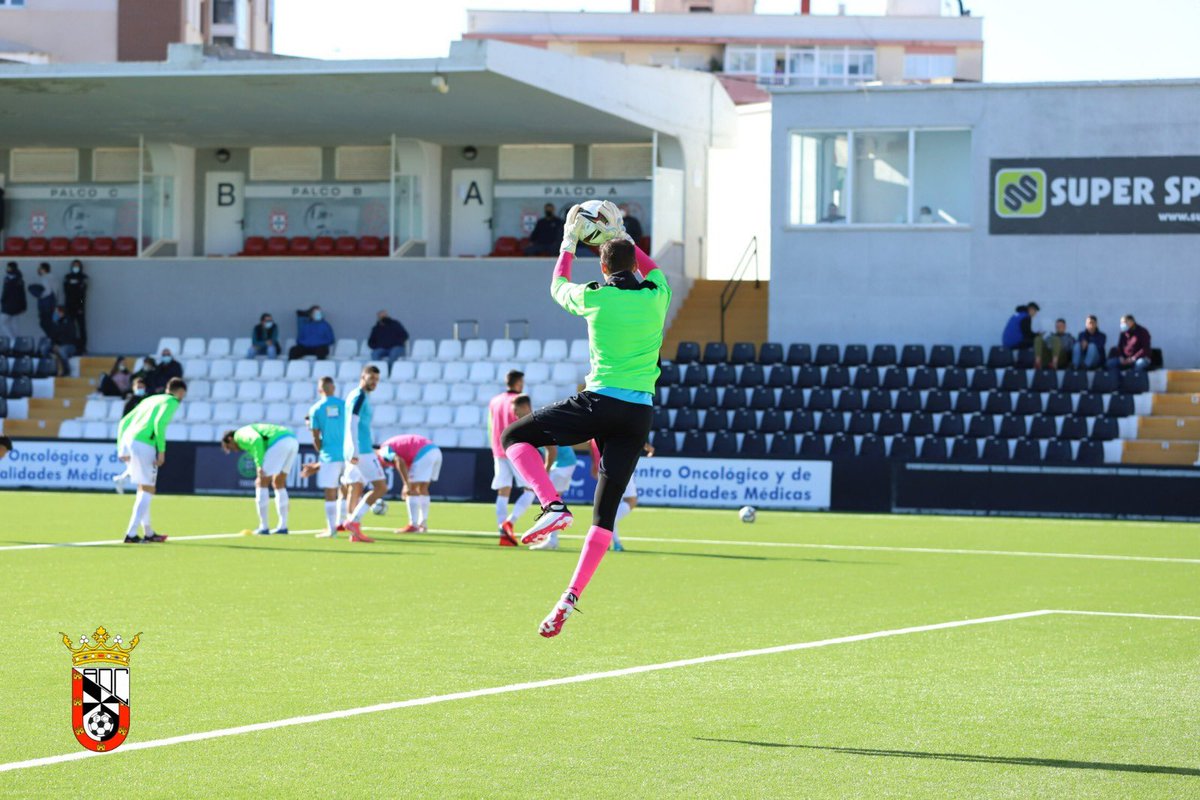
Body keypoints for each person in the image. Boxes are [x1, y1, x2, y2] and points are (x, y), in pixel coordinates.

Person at [500, 200, 671, 637]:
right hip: (639, 415)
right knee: (604, 517)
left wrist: (568, 242)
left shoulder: (596, 298)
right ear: (634, 262)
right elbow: (649, 268)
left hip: (599, 402)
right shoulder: (658, 296)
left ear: (603, 263)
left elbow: (558, 286)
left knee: (514, 437)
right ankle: (568, 598)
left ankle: (552, 505)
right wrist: (625, 234)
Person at [116, 377, 186, 543]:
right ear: (181, 392)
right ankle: (131, 534)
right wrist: (161, 451)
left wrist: (121, 447)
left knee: (143, 488)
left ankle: (148, 532)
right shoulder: (172, 401)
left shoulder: (151, 399)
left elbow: (124, 421)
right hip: (144, 443)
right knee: (148, 488)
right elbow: (159, 424)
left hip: (130, 440)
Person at [220, 423, 299, 535]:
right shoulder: (246, 435)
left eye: (229, 447)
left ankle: (264, 527)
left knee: (261, 482)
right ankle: (283, 526)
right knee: (279, 482)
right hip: (292, 440)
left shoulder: (239, 435)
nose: (234, 450)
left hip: (278, 442)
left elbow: (257, 440)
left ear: (230, 439)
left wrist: (259, 465)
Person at [341, 365, 386, 543]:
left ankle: (355, 533)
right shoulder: (359, 396)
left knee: (355, 488)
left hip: (355, 448)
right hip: (361, 450)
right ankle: (353, 521)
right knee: (381, 487)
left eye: (376, 379)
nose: (374, 382)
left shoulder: (355, 395)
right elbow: (352, 422)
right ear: (363, 376)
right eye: (371, 378)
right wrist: (355, 449)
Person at [300, 377, 346, 538]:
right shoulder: (344, 405)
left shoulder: (316, 409)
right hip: (348, 453)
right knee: (347, 488)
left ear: (320, 390)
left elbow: (314, 436)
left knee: (330, 491)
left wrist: (322, 451)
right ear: (333, 387)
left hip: (330, 455)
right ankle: (344, 523)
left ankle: (331, 529)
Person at [487, 369, 526, 544]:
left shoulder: (494, 401)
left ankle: (503, 535)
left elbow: (489, 426)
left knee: (503, 492)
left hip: (498, 449)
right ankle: (510, 522)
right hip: (515, 449)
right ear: (518, 383)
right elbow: (525, 424)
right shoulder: (519, 400)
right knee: (531, 489)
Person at [377, 433, 443, 533]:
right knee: (422, 489)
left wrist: (406, 484)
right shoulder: (389, 447)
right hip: (435, 451)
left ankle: (413, 525)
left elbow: (399, 460)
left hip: (423, 453)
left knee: (411, 490)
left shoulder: (382, 451)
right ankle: (423, 524)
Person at [43, 305, 78, 376]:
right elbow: (52, 337)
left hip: (69, 345)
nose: (54, 314)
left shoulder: (69, 322)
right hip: (57, 345)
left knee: (62, 351)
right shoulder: (55, 323)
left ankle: (66, 370)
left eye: (56, 312)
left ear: (61, 313)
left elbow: (71, 337)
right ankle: (49, 367)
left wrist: (59, 345)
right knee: (44, 348)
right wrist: (54, 344)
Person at [63, 259, 89, 354]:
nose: (75, 267)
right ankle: (71, 347)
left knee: (81, 327)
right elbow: (66, 291)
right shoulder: (67, 277)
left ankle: (82, 347)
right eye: (74, 265)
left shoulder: (83, 277)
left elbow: (82, 295)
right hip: (69, 306)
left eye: (77, 266)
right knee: (70, 328)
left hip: (79, 307)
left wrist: (81, 307)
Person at [28, 262, 59, 337]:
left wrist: (39, 295)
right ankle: (54, 341)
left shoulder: (45, 278)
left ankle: (53, 341)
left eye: (40, 268)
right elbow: (56, 292)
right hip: (53, 304)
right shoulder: (54, 277)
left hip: (46, 305)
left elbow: (47, 291)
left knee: (45, 323)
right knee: (52, 323)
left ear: (43, 269)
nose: (38, 270)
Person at [1, 262, 27, 340]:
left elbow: (22, 294)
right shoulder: (9, 278)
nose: (7, 269)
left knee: (3, 322)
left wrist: (24, 306)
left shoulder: (17, 280)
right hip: (14, 305)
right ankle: (15, 343)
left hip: (10, 305)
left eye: (8, 267)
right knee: (15, 324)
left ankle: (12, 338)